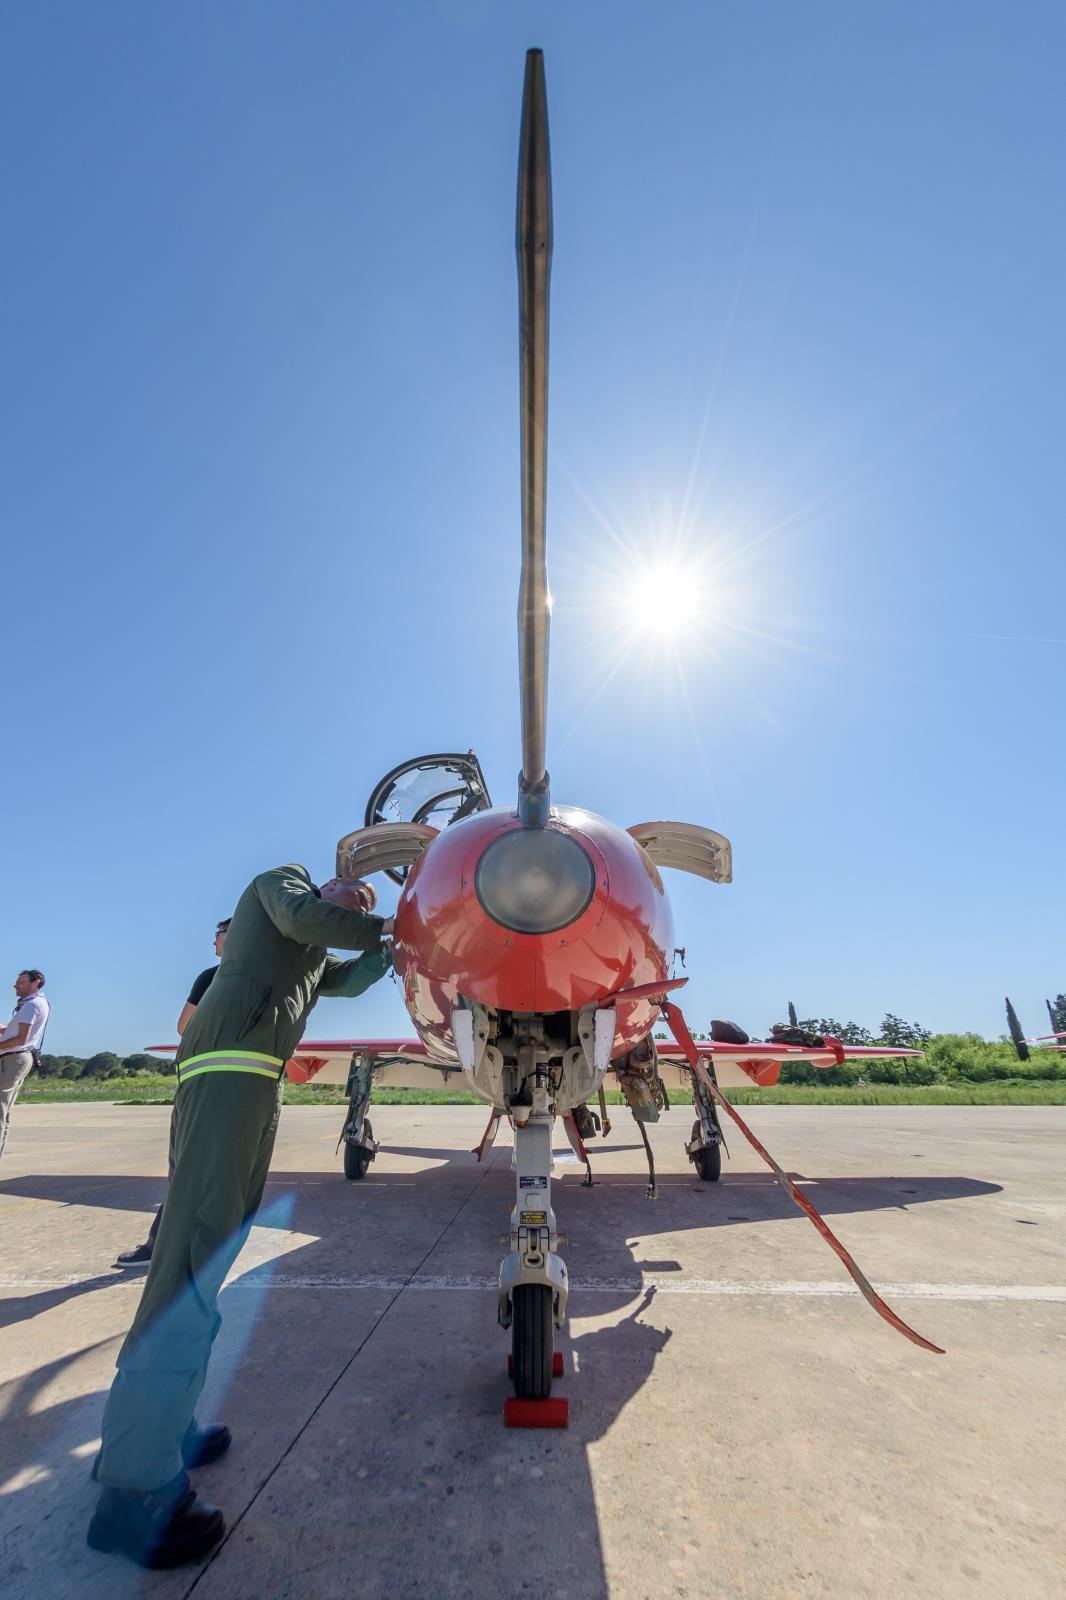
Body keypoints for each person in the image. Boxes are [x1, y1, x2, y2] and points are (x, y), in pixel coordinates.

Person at [88, 865, 393, 1569]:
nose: (363, 904)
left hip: (254, 1084)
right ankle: (133, 1488)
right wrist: (398, 925)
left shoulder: (304, 963)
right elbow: (309, 920)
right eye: (358, 895)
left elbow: (343, 981)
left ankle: (168, 1425)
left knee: (212, 1253)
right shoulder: (280, 887)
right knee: (191, 1259)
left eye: (370, 904)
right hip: (226, 1072)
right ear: (332, 882)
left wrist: (390, 954)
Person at [115, 918, 232, 1268]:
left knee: (184, 1167)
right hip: (239, 1087)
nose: (214, 941)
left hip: (203, 1084)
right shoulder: (267, 974)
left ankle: (160, 1244)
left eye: (219, 935)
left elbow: (184, 1026)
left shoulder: (212, 977)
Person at [0, 969, 50, 1160]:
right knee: (4, 1111)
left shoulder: (31, 1005)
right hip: (17, 1058)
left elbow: (21, 1039)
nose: (15, 986)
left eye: (20, 983)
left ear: (35, 982)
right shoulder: (36, 1003)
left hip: (14, 1058)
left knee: (0, 1111)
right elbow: (15, 1033)